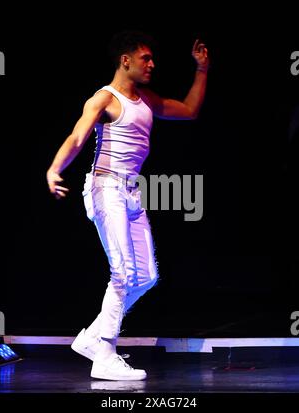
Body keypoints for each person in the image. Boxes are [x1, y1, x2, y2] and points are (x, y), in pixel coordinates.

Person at [46, 30, 209, 381]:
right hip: (106, 188)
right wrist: (54, 169)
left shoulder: (147, 100)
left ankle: (92, 338)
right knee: (122, 272)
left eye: (152, 59)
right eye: (145, 58)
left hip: (132, 193)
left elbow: (190, 110)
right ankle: (103, 353)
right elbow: (77, 138)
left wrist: (202, 70)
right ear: (126, 60)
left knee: (147, 276)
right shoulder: (104, 99)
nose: (152, 64)